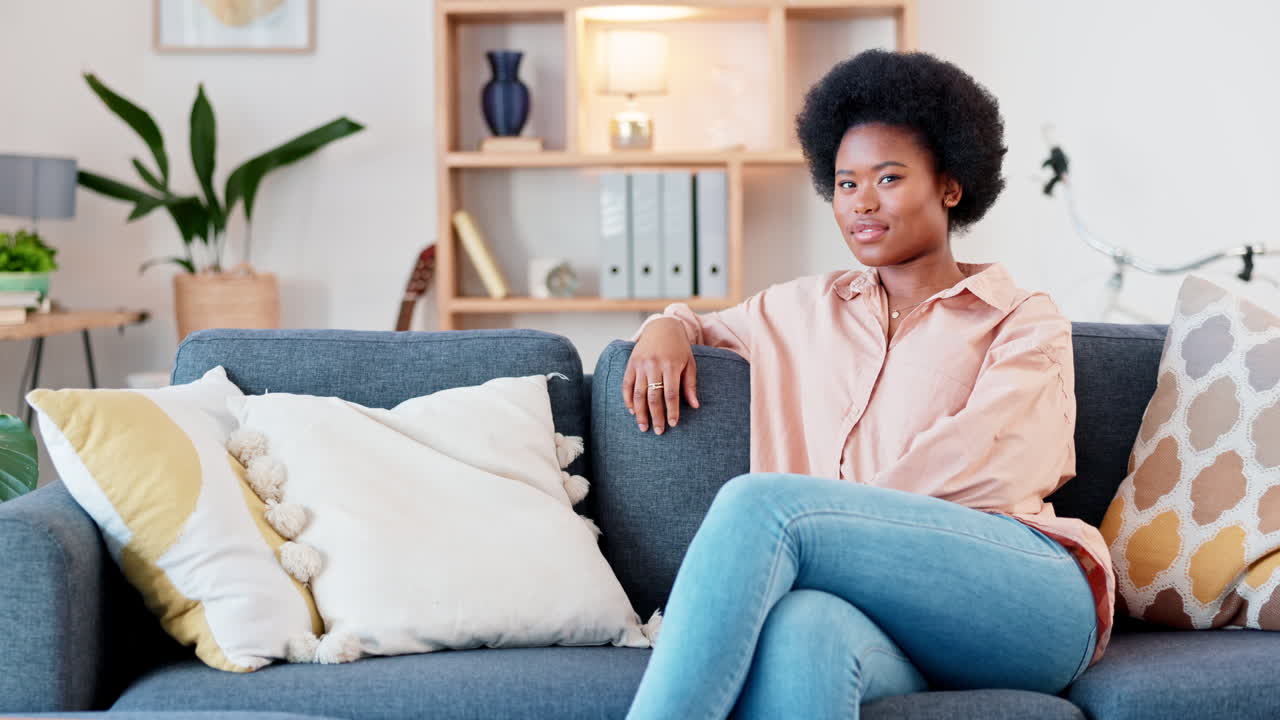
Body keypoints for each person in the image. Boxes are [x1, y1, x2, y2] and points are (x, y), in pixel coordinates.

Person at [621, 49, 1113, 720]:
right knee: (804, 631)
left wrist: (829, 526)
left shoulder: (1022, 319)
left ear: (949, 184)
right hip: (882, 623)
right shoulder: (798, 311)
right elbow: (698, 325)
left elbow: (993, 467)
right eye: (846, 183)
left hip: (1025, 596)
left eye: (888, 177)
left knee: (761, 508)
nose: (862, 203)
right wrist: (664, 326)